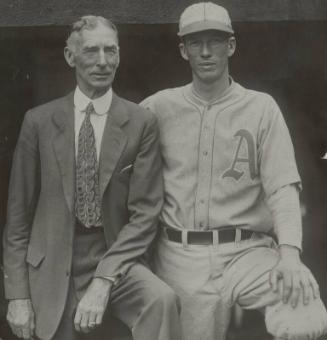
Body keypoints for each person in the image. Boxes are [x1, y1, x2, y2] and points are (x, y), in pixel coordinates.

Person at [140, 3, 327, 340]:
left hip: (248, 253)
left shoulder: (261, 107)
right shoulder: (157, 108)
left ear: (232, 45)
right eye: (196, 43)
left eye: (216, 40)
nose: (207, 51)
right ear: (183, 50)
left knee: (306, 316)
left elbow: (283, 187)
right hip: (181, 257)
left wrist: (290, 255)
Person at [3, 15, 181, 340]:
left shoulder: (141, 123)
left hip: (115, 256)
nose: (102, 62)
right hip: (54, 260)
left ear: (119, 55)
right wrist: (17, 295)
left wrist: (104, 278)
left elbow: (145, 215)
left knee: (161, 300)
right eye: (91, 51)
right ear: (71, 57)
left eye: (110, 51)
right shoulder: (39, 122)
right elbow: (17, 219)